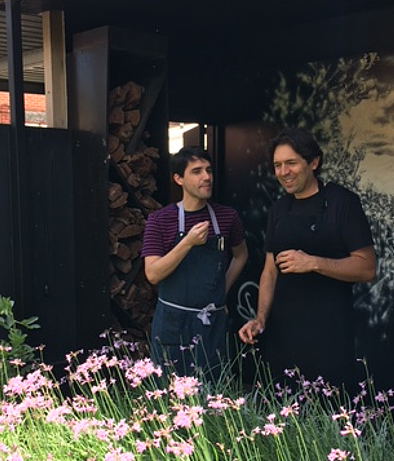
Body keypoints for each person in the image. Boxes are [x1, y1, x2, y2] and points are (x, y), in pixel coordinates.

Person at [238, 128, 375, 389]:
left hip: (329, 331)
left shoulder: (342, 202)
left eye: (291, 163)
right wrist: (261, 319)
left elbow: (367, 268)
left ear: (314, 162)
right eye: (277, 165)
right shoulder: (279, 209)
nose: (283, 172)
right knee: (284, 410)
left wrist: (313, 262)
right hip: (283, 330)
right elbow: (270, 270)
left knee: (329, 410)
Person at [142, 146, 248, 377]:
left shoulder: (227, 217)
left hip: (213, 323)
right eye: (197, 171)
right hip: (172, 324)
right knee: (170, 398)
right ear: (178, 179)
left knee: (215, 394)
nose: (206, 177)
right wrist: (187, 242)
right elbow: (152, 274)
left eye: (208, 170)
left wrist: (221, 291)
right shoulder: (159, 220)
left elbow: (241, 255)